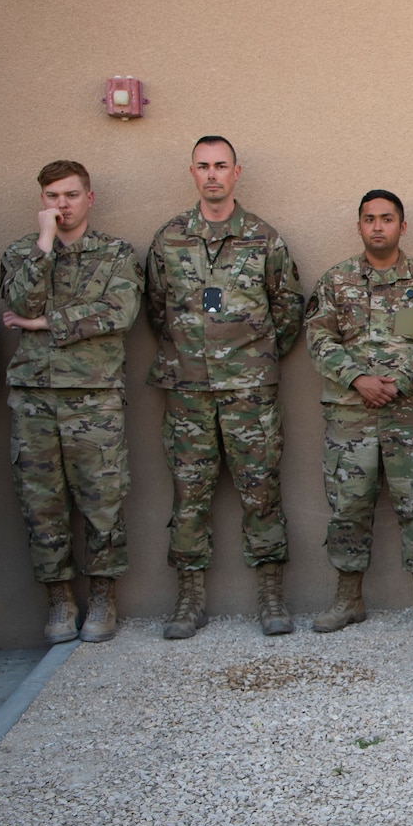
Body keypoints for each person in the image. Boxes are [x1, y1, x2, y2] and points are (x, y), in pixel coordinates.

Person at [143, 136, 305, 640]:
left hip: (249, 391)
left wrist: (248, 359)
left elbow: (289, 310)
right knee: (190, 494)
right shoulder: (169, 239)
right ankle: (189, 598)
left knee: (261, 491)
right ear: (191, 172)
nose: (212, 174)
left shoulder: (264, 238)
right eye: (203, 166)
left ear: (237, 172)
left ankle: (272, 593)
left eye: (221, 166)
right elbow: (156, 310)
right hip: (187, 390)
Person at [0, 160, 143, 644]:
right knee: (42, 505)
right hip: (35, 399)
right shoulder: (22, 253)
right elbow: (22, 303)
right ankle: (59, 600)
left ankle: (103, 596)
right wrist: (42, 246)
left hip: (94, 397)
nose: (62, 205)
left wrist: (44, 326)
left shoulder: (116, 253)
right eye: (53, 196)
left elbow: (117, 312)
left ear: (89, 198)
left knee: (104, 501)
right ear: (42, 200)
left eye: (71, 195)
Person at [303, 189, 413, 632]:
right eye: (369, 219)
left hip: (411, 415)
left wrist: (400, 384)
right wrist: (358, 379)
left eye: (386, 218)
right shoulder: (335, 281)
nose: (377, 226)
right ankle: (348, 596)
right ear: (359, 226)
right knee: (348, 504)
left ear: (401, 226)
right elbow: (319, 338)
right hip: (350, 415)